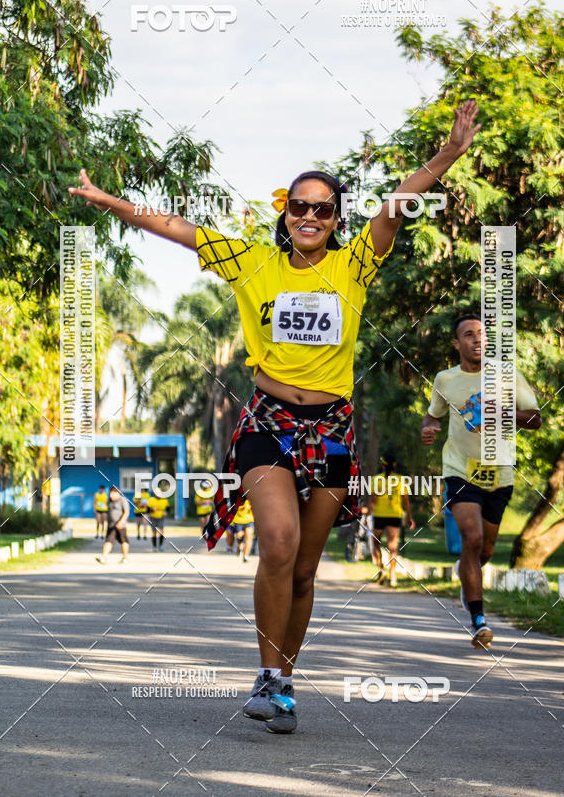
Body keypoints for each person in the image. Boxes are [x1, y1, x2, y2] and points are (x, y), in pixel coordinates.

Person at [69, 100, 480, 733]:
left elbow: (396, 201)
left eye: (322, 208)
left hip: (333, 429)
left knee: (308, 569)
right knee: (280, 544)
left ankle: (285, 682)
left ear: (335, 219)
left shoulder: (356, 264)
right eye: (298, 206)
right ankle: (266, 675)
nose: (309, 216)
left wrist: (448, 156)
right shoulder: (249, 262)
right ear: (284, 214)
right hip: (269, 422)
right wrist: (108, 201)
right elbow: (173, 227)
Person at [421, 313, 542, 648]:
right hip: (460, 468)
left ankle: (466, 576)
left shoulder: (507, 375)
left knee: (485, 549)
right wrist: (428, 427)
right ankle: (478, 620)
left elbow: (535, 419)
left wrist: (505, 412)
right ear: (457, 343)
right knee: (472, 540)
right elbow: (434, 413)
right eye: (468, 334)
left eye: (481, 333)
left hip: (499, 472)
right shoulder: (446, 379)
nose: (477, 339)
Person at [370, 453, 415, 586]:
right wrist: (410, 517)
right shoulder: (401, 480)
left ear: (383, 465)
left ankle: (381, 568)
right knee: (393, 547)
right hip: (395, 515)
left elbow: (373, 501)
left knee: (375, 543)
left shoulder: (376, 479)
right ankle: (393, 576)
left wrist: (366, 513)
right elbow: (406, 502)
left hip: (380, 515)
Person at [96, 486, 130, 564]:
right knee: (109, 540)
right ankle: (103, 557)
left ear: (117, 493)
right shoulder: (109, 501)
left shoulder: (122, 500)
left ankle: (125, 557)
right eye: (110, 493)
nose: (111, 495)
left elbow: (126, 512)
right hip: (111, 525)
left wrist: (121, 522)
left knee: (123, 540)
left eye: (113, 494)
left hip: (121, 525)